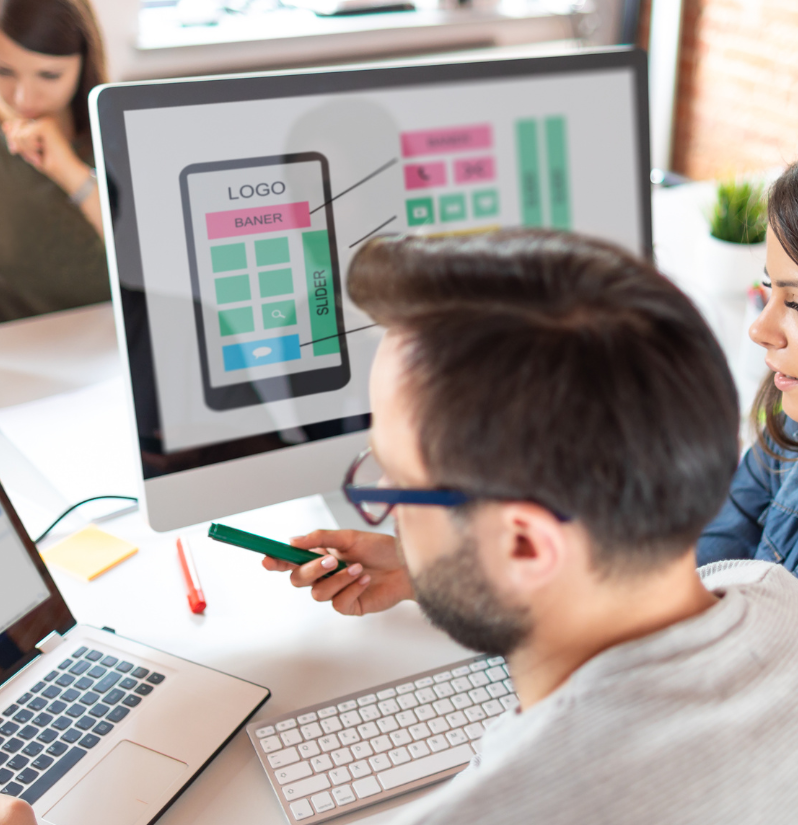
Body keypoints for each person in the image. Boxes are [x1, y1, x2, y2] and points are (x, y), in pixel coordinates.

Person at [262, 229, 798, 823]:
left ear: (523, 543)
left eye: (396, 477)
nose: (388, 501)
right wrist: (455, 561)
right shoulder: (771, 591)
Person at [697, 161, 798, 570]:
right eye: (769, 289)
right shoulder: (789, 422)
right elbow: (728, 528)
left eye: (795, 302)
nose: (760, 330)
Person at [0, 0, 110, 322]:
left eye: (49, 75)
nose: (24, 98)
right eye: (4, 71)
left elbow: (148, 259)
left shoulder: (119, 131)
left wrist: (70, 173)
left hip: (111, 340)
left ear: (84, 61)